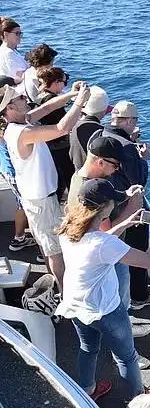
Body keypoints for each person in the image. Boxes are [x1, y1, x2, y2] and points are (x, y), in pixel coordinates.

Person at [55, 178, 150, 401]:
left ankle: (88, 390)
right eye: (112, 203)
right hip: (106, 310)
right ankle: (137, 401)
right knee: (127, 358)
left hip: (76, 306)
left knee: (88, 349)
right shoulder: (104, 245)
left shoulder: (68, 227)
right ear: (104, 209)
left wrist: (123, 225)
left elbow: (99, 242)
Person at [69, 136, 150, 367]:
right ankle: (127, 350)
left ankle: (125, 329)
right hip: (107, 261)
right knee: (118, 308)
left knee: (88, 347)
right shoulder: (93, 198)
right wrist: (135, 205)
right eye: (114, 165)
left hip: (86, 274)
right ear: (100, 161)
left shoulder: (83, 181)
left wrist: (125, 196)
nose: (115, 170)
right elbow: (106, 234)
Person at [0, 82, 90, 290]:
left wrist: (71, 95)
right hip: (41, 200)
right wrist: (80, 102)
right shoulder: (22, 133)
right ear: (10, 108)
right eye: (19, 98)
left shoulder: (20, 124)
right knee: (55, 251)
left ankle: (57, 287)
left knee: (46, 245)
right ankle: (64, 291)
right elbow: (62, 128)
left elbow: (47, 108)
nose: (25, 98)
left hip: (34, 197)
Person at [92, 100, 150, 310]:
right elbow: (138, 181)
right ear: (130, 121)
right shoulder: (129, 148)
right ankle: (139, 296)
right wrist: (143, 158)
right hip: (128, 207)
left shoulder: (99, 135)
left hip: (107, 204)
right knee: (135, 249)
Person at [34, 67, 76, 198]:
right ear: (56, 82)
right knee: (68, 177)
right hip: (60, 146)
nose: (64, 85)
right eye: (64, 82)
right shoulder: (50, 100)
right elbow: (66, 122)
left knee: (56, 178)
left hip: (48, 145)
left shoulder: (40, 96)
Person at [0, 120, 37, 252]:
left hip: (7, 171)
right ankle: (22, 239)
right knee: (27, 206)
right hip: (13, 173)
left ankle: (20, 237)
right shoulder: (7, 131)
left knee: (22, 204)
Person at [69, 86, 112, 171]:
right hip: (93, 178)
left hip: (77, 174)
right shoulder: (99, 131)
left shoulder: (74, 125)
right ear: (104, 111)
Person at [0, 17, 28, 85]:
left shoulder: (10, 51)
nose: (20, 36)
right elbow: (19, 75)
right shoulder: (8, 53)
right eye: (17, 33)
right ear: (6, 34)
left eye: (20, 33)